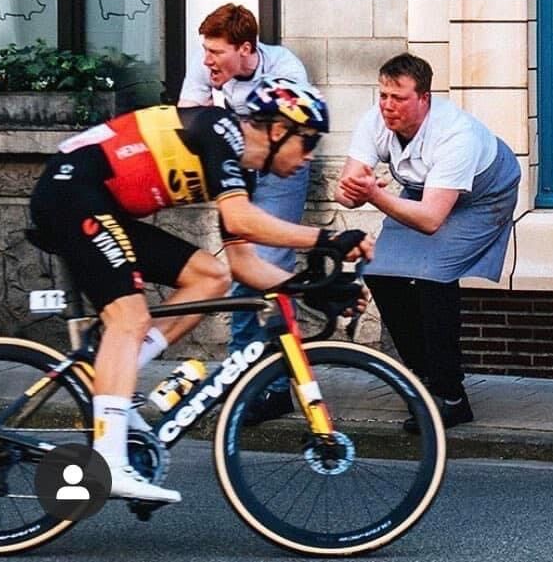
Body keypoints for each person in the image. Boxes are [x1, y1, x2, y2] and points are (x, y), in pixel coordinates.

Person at [28, 80, 371, 504]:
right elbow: (242, 220)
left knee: (210, 276)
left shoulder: (241, 171)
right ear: (279, 129)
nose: (311, 155)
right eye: (309, 141)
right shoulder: (220, 130)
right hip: (70, 193)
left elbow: (242, 264)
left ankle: (113, 378)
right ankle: (109, 462)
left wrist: (307, 288)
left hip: (99, 203)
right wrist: (326, 240)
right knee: (130, 318)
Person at [334, 53, 520, 430]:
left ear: (424, 98)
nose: (388, 106)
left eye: (399, 98)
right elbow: (345, 191)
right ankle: (424, 378)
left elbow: (431, 220)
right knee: (380, 270)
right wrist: (355, 190)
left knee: (434, 275)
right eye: (383, 95)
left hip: (486, 195)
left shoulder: (456, 134)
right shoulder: (375, 120)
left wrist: (374, 195)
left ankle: (451, 397)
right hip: (426, 191)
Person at [178, 2, 312, 422]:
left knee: (268, 263)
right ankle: (242, 379)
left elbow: (283, 140)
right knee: (242, 269)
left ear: (246, 49)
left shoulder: (285, 71)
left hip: (279, 166)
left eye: (217, 52)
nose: (207, 60)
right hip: (237, 163)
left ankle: (275, 387)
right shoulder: (208, 63)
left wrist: (222, 125)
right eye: (206, 50)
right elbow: (187, 119)